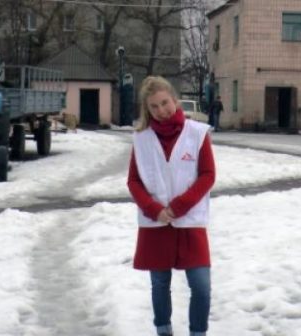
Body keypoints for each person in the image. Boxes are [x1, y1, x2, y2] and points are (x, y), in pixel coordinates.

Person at [127, 76, 216, 336]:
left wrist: (178, 207)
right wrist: (154, 209)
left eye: (165, 103)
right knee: (159, 283)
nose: (161, 111)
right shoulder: (142, 138)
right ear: (147, 109)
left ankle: (198, 332)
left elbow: (208, 175)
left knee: (201, 286)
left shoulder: (197, 134)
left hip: (190, 221)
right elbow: (133, 181)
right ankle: (163, 330)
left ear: (174, 100)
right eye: (154, 106)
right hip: (156, 223)